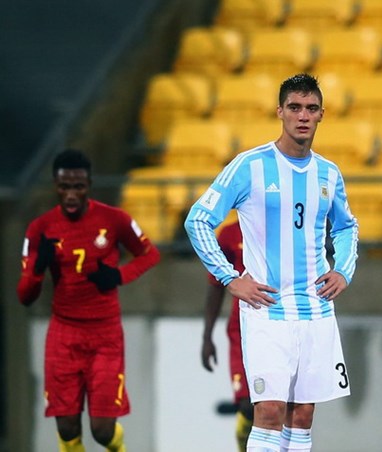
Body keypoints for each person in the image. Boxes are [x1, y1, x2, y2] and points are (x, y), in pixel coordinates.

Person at [185, 73, 359, 452]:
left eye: (311, 109)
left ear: (321, 115)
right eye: (294, 107)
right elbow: (198, 219)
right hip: (267, 309)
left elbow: (346, 226)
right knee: (268, 411)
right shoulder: (250, 166)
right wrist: (230, 278)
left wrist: (343, 269)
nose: (303, 116)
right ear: (280, 111)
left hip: (315, 310)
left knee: (302, 416)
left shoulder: (329, 173)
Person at [16, 149, 161, 452]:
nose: (71, 194)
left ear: (89, 186)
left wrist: (118, 276)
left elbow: (150, 254)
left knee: (102, 431)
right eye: (64, 187)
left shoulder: (114, 219)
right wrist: (38, 270)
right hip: (63, 334)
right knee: (68, 428)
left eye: (78, 187)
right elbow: (25, 297)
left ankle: (117, 447)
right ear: (55, 186)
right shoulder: (40, 229)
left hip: (105, 334)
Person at [201, 217, 254, 451]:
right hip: (242, 327)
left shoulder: (283, 227)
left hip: (280, 323)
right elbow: (216, 286)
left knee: (277, 407)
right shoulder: (230, 234)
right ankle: (243, 442)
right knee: (248, 406)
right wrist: (207, 337)